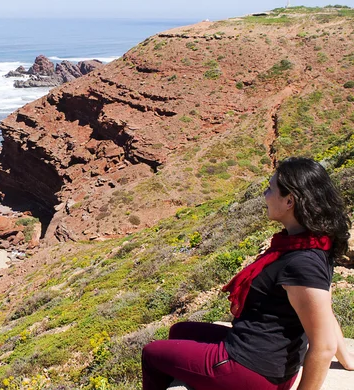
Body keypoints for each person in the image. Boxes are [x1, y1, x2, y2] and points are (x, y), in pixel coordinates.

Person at [141, 157, 352, 390]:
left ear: (290, 200)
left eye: (270, 189)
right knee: (179, 331)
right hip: (259, 354)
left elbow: (323, 346)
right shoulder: (312, 242)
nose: (265, 194)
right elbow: (324, 311)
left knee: (151, 354)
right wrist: (347, 360)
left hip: (253, 370)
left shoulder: (302, 262)